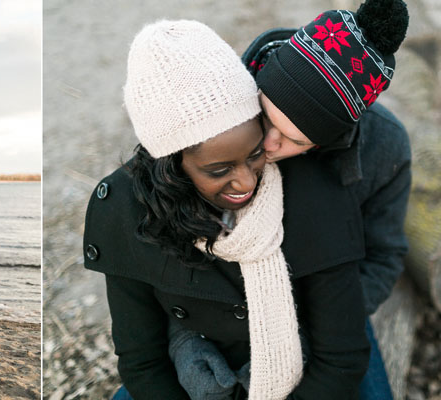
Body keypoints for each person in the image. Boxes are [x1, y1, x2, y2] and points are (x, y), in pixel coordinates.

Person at [84, 19, 370, 400]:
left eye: (255, 154)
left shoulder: (314, 196)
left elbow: (342, 358)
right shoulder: (128, 213)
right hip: (188, 366)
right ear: (170, 167)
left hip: (307, 368)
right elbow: (143, 361)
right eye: (218, 170)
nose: (247, 182)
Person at [169, 0, 412, 398]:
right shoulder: (217, 107)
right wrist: (185, 337)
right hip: (217, 294)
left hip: (328, 304)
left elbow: (384, 257)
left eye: (294, 140)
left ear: (326, 140)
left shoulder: (386, 148)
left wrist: (311, 324)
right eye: (266, 117)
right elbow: (167, 226)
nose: (266, 144)